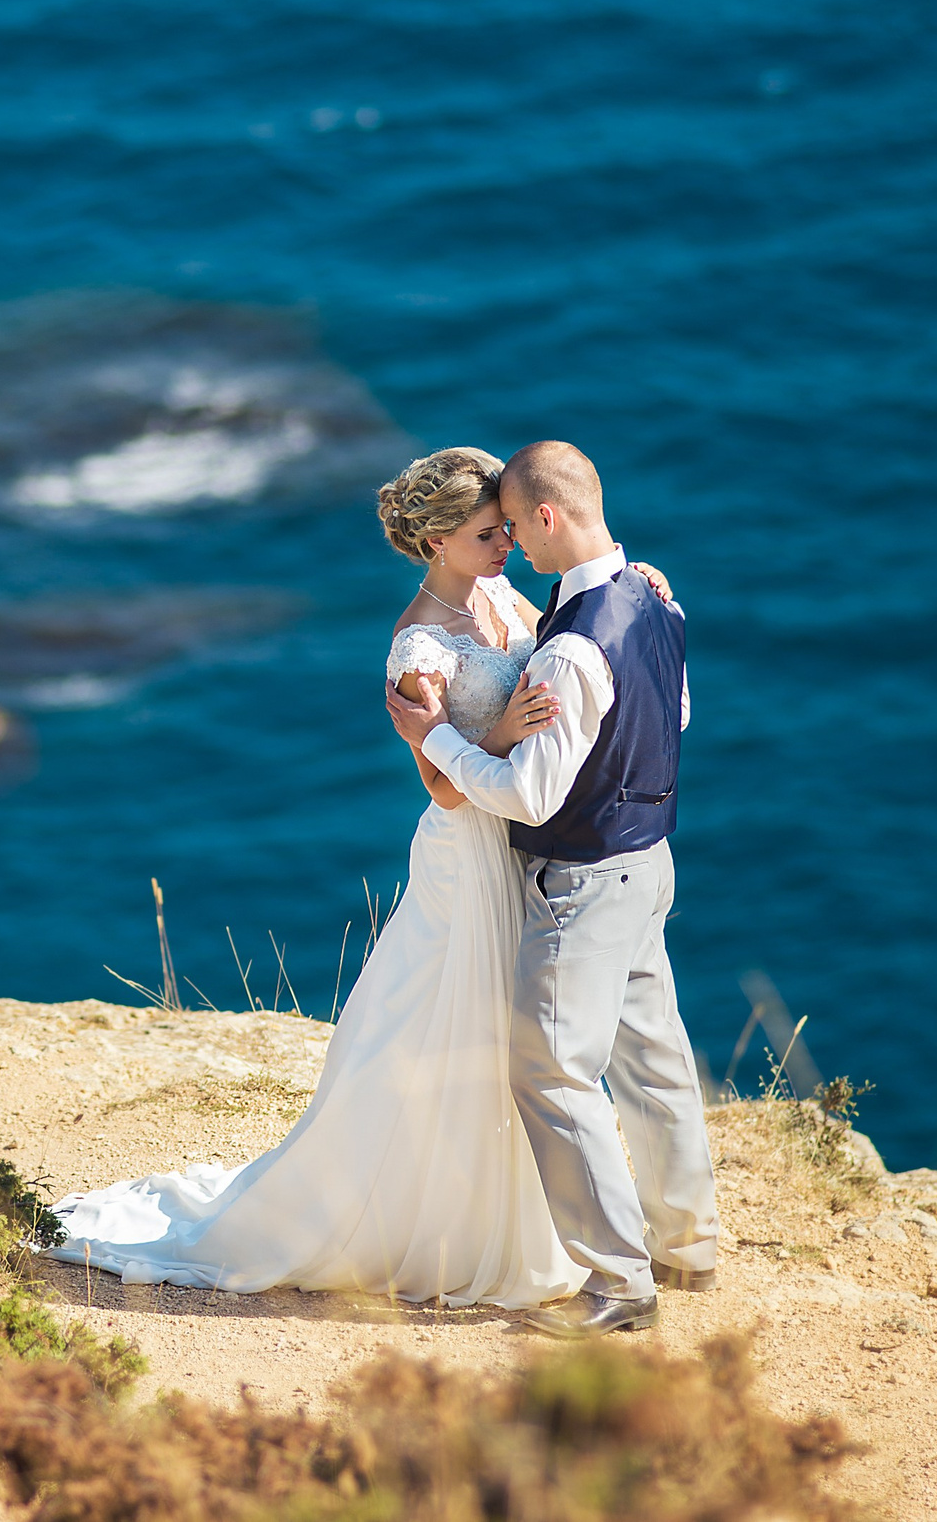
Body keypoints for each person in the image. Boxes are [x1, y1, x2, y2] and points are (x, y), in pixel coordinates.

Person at [42, 446, 665, 1306]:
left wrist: (633, 588)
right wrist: (499, 735)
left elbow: (563, 623)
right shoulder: (418, 646)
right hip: (464, 855)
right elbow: (441, 784)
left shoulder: (495, 593)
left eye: (506, 529)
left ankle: (519, 1215)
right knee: (433, 1034)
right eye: (488, 534)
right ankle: (426, 1222)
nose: (506, 546)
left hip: (516, 854)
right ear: (440, 543)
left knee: (508, 1046)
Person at [387, 439, 719, 1338]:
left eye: (512, 531)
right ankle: (688, 1245)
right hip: (650, 861)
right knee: (653, 1057)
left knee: (551, 1068)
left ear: (543, 517)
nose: (511, 552)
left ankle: (620, 1283)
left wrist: (443, 741)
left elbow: (530, 790)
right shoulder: (654, 598)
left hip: (584, 880)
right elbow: (674, 711)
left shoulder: (572, 645)